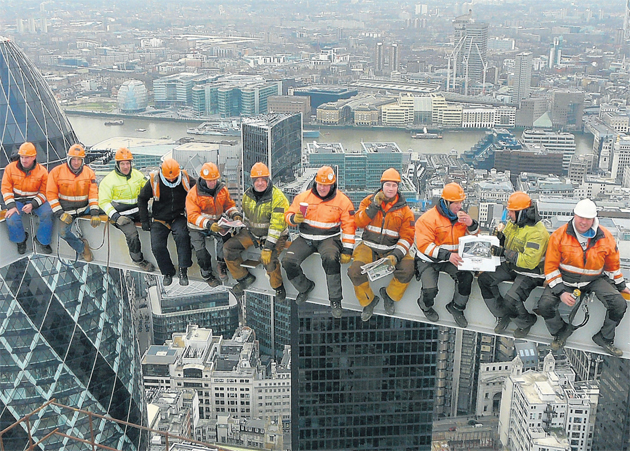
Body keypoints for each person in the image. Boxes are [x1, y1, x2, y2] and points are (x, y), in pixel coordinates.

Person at [539, 198, 629, 356]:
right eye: (581, 217)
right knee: (545, 305)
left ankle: (604, 337)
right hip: (565, 279)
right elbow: (551, 267)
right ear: (574, 215)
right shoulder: (559, 236)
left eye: (588, 218)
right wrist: (560, 292)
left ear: (594, 219)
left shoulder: (605, 237)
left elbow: (613, 266)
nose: (583, 222)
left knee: (619, 304)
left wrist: (621, 286)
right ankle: (560, 332)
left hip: (593, 280)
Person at [283, 166, 356, 318]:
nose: (322, 188)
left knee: (331, 259)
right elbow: (288, 214)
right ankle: (304, 287)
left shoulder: (343, 201)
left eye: (326, 185)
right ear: (315, 183)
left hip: (329, 239)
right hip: (305, 237)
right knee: (288, 261)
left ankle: (335, 300)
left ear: (332, 185)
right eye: (320, 184)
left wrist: (348, 250)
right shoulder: (303, 198)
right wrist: (293, 219)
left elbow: (349, 226)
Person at [478, 192, 549, 338]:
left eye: (511, 211)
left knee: (511, 299)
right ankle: (501, 315)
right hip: (513, 265)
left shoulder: (537, 232)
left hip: (531, 272)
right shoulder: (514, 223)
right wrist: (501, 238)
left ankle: (526, 321)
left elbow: (529, 262)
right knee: (484, 280)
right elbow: (509, 241)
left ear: (521, 212)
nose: (508, 214)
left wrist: (504, 252)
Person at [348, 168, 415, 321]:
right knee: (355, 271)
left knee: (408, 269)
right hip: (368, 246)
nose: (390, 189)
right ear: (382, 186)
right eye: (388, 185)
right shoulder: (368, 201)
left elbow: (407, 238)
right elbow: (358, 222)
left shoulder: (405, 211)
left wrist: (396, 256)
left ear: (398, 187)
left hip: (392, 249)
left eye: (394, 185)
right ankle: (369, 301)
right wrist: (374, 206)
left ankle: (390, 295)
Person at [414, 182, 479, 328]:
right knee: (430, 290)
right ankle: (425, 305)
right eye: (456, 202)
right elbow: (425, 246)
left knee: (466, 277)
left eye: (461, 202)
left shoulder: (462, 218)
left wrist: (471, 225)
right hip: (428, 260)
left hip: (450, 258)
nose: (459, 205)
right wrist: (448, 255)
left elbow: (474, 239)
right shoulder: (428, 219)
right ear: (446, 202)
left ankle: (456, 307)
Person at [224, 162, 289, 299]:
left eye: (263, 180)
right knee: (229, 248)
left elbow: (277, 226)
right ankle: (243, 277)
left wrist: (268, 247)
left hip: (276, 237)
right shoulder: (248, 196)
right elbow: (248, 219)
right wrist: (237, 223)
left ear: (268, 180)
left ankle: (278, 287)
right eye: (257, 180)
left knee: (270, 260)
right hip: (253, 233)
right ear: (252, 181)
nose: (260, 183)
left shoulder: (278, 198)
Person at [139, 158, 194, 286]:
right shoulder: (155, 180)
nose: (171, 180)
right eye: (168, 177)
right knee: (157, 246)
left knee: (182, 236)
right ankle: (167, 271)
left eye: (173, 177)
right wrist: (144, 220)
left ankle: (183, 270)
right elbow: (142, 198)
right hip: (159, 218)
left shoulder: (184, 178)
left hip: (178, 216)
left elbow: (198, 190)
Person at [98, 147, 154, 271]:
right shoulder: (108, 181)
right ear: (117, 164)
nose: (125, 166)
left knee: (158, 224)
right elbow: (103, 202)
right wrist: (116, 217)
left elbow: (148, 189)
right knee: (132, 235)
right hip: (122, 216)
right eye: (122, 164)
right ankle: (138, 260)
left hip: (138, 211)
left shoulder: (137, 175)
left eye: (127, 163)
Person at [185, 162, 237, 287]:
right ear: (203, 179)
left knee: (225, 238)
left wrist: (234, 214)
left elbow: (228, 205)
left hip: (215, 223)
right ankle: (206, 274)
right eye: (209, 181)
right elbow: (192, 216)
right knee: (201, 253)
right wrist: (208, 224)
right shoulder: (194, 194)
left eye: (214, 180)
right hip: (196, 227)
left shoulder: (221, 190)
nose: (212, 183)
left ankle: (221, 264)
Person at [46, 144, 101, 262]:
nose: (76, 162)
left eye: (79, 160)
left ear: (82, 160)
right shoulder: (56, 172)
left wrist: (95, 212)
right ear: (69, 159)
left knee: (108, 211)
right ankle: (82, 248)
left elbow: (93, 194)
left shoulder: (89, 172)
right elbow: (51, 194)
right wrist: (60, 213)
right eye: (74, 159)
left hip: (84, 208)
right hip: (67, 211)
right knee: (63, 233)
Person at [1, 142, 53, 254]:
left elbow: (45, 192)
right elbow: (6, 189)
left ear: (34, 157)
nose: (24, 160)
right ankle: (21, 240)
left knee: (47, 213)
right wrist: (11, 206)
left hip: (37, 201)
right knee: (11, 219)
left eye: (27, 157)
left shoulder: (42, 171)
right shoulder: (10, 169)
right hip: (17, 201)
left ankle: (42, 240)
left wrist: (33, 205)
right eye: (22, 157)